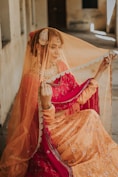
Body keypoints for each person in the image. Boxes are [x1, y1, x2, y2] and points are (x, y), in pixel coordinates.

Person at [0, 27, 117, 177]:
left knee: (91, 116)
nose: (57, 53)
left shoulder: (61, 67)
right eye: (53, 47)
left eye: (59, 47)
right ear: (39, 47)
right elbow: (37, 124)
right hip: (50, 132)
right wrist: (47, 104)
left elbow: (77, 98)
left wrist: (99, 71)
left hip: (67, 122)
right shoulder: (33, 79)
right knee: (90, 122)